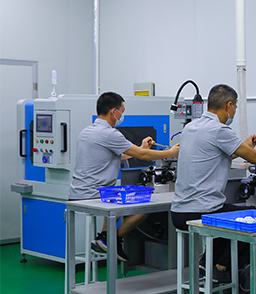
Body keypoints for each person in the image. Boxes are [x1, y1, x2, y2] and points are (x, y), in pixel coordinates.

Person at [170, 84, 256, 282]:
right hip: (202, 211)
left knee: (231, 213)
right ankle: (220, 267)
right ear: (229, 105)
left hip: (178, 212)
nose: (234, 112)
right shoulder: (219, 130)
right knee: (251, 220)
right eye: (235, 107)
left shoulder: (190, 127)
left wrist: (245, 146)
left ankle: (208, 261)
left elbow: (216, 153)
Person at [69, 91, 180, 262]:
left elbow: (116, 155)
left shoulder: (87, 131)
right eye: (122, 111)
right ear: (114, 111)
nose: (122, 115)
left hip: (77, 192)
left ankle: (105, 237)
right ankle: (114, 238)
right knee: (144, 204)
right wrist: (170, 153)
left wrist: (141, 147)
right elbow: (142, 156)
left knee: (118, 193)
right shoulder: (109, 133)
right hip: (94, 194)